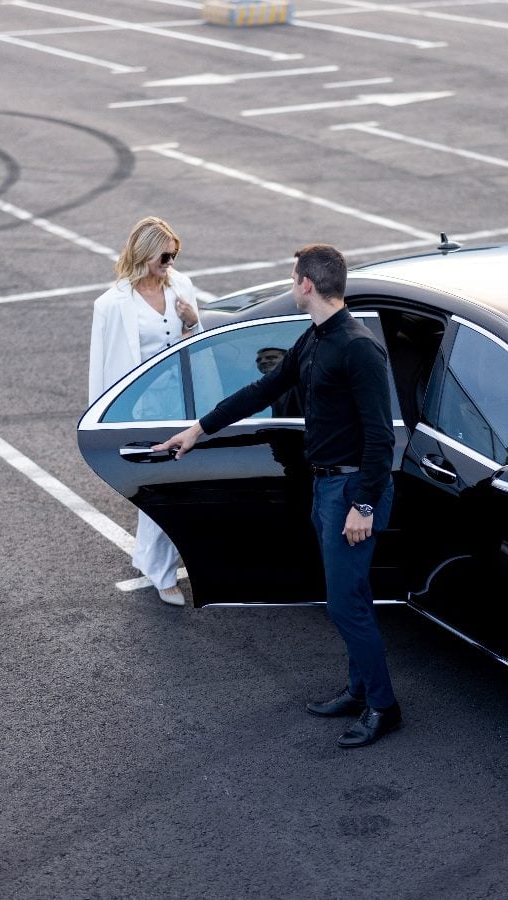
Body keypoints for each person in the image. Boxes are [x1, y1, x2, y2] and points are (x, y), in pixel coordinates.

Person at [154, 244, 401, 748]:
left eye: (293, 278)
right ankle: (359, 689)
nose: (292, 284)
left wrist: (364, 505)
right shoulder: (314, 339)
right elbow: (261, 391)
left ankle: (383, 706)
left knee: (346, 605)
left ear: (307, 284)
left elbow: (381, 437)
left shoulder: (358, 348)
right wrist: (199, 430)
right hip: (327, 486)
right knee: (349, 598)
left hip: (352, 491)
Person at [89, 216, 201, 607]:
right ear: (144, 254)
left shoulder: (181, 286)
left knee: (174, 484)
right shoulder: (111, 305)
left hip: (180, 403)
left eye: (175, 255)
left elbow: (194, 343)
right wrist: (101, 420)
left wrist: (193, 322)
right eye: (165, 256)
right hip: (140, 409)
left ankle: (152, 560)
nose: (171, 263)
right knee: (158, 485)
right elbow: (101, 365)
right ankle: (162, 572)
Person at [255, 347, 303, 417]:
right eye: (259, 360)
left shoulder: (300, 381)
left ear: (287, 359)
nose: (263, 361)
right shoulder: (271, 387)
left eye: (270, 358)